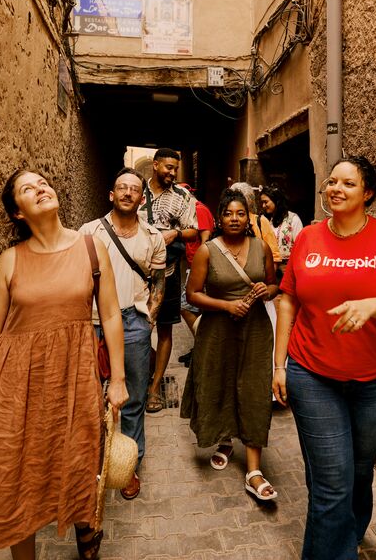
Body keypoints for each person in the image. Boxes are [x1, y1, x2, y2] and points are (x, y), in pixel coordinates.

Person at [0, 170, 129, 560]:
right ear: (18, 213)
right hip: (13, 385)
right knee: (16, 476)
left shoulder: (91, 248)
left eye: (42, 182)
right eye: (28, 189)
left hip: (73, 379)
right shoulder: (10, 260)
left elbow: (111, 315)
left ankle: (87, 540)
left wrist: (117, 379)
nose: (41, 188)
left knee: (77, 462)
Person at [272, 156, 376, 560]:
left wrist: (373, 306)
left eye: (348, 183)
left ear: (367, 193)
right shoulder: (308, 238)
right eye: (332, 181)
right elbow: (288, 300)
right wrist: (279, 364)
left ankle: (350, 531)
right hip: (312, 372)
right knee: (332, 480)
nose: (336, 188)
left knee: (358, 470)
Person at [181, 189, 280, 501]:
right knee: (219, 385)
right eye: (228, 214)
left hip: (255, 331)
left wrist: (268, 290)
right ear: (219, 219)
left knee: (253, 391)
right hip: (218, 331)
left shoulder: (261, 246)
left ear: (247, 217)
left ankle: (253, 470)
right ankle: (224, 440)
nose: (234, 219)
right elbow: (192, 295)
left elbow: (275, 284)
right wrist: (226, 307)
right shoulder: (207, 252)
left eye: (240, 213)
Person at [79, 168, 166, 501]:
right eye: (122, 188)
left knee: (132, 399)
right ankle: (90, 464)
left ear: (142, 199)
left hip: (132, 322)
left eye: (134, 189)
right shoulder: (88, 232)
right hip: (91, 321)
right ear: (111, 195)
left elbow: (159, 282)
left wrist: (149, 320)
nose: (128, 193)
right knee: (88, 397)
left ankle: (128, 465)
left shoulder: (152, 237)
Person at [139, 148, 197, 412]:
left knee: (164, 328)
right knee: (137, 328)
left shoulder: (183, 196)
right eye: (168, 167)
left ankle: (154, 388)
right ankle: (138, 377)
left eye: (175, 168)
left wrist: (174, 234)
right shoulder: (135, 190)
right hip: (137, 273)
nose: (172, 173)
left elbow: (194, 230)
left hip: (169, 271)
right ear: (155, 165)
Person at [176, 182, 214, 366]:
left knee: (185, 305)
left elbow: (206, 240)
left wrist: (202, 266)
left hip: (200, 268)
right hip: (193, 265)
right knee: (196, 308)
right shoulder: (190, 211)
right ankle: (201, 346)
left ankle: (205, 344)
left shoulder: (199, 209)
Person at [230, 181, 281, 267]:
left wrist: (266, 279)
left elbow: (274, 257)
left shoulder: (260, 221)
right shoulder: (227, 221)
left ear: (248, 201)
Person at [259, 185, 304, 279]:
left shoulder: (293, 219)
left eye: (266, 202)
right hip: (268, 269)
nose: (263, 206)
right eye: (262, 203)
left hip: (287, 269)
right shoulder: (264, 220)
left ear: (276, 201)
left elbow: (300, 247)